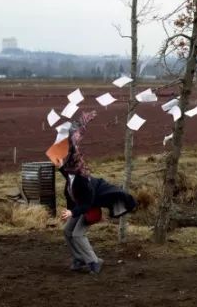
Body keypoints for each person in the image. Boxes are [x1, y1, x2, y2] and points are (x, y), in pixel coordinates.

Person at [57, 112, 137, 274]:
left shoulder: (83, 181)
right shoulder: (71, 174)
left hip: (90, 209)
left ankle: (94, 261)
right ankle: (79, 259)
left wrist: (72, 211)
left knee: (78, 234)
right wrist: (59, 165)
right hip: (81, 208)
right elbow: (68, 174)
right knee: (67, 232)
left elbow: (86, 203)